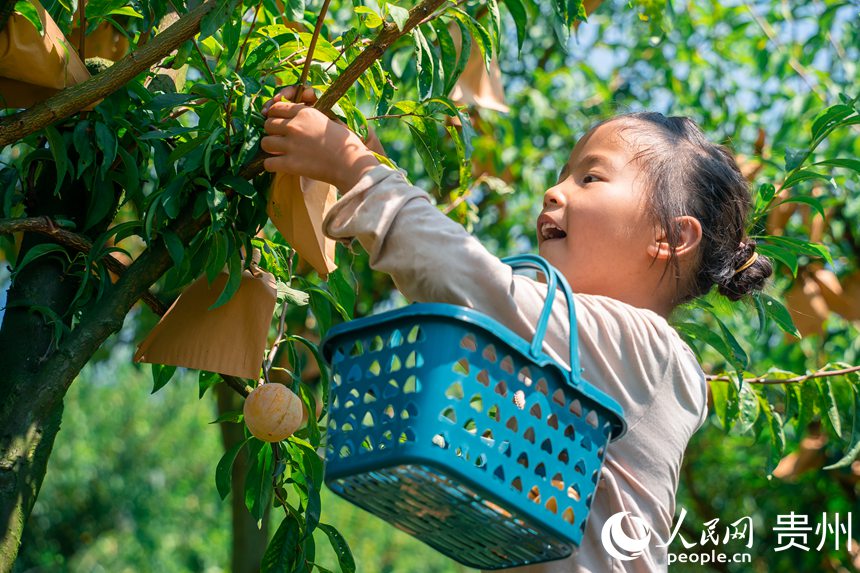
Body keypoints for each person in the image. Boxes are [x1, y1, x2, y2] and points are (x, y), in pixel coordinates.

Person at [260, 86, 773, 572]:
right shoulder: (575, 358)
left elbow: (473, 282)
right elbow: (474, 284)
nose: (554, 191)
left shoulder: (651, 351)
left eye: (590, 178)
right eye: (565, 174)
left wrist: (356, 170)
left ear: (670, 237)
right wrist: (368, 168)